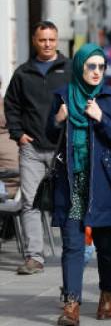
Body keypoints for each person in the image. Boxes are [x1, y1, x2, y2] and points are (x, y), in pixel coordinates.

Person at [47, 43, 111, 325]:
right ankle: (71, 304)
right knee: (72, 244)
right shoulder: (62, 96)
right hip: (71, 181)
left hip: (102, 182)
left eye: (101, 67)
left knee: (105, 243)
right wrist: (57, 121)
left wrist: (101, 118)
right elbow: (47, 136)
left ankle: (107, 293)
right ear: (79, 67)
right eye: (90, 66)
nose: (96, 72)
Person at [4, 20, 71, 275]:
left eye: (51, 40)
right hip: (31, 148)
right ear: (35, 41)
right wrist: (18, 134)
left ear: (57, 40)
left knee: (66, 201)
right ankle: (35, 256)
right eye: (42, 40)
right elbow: (12, 106)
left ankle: (73, 250)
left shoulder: (70, 69)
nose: (47, 44)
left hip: (62, 147)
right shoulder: (23, 72)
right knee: (30, 202)